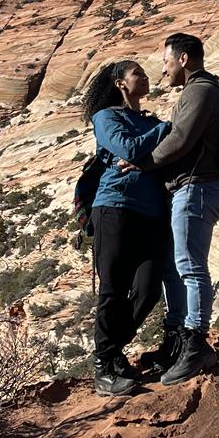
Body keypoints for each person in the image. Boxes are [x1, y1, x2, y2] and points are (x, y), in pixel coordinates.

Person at [129, 31, 219, 385]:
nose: (163, 69)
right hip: (193, 188)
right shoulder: (198, 90)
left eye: (166, 61)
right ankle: (178, 341)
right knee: (177, 267)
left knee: (190, 267)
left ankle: (196, 343)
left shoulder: (200, 91)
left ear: (183, 59)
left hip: (197, 188)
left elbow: (180, 139)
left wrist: (142, 162)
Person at [82, 59, 172, 397]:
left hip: (152, 213)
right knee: (113, 290)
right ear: (121, 83)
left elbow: (151, 152)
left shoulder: (148, 121)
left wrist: (152, 142)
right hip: (114, 207)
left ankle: (111, 352)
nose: (146, 76)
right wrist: (165, 131)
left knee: (148, 291)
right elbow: (128, 148)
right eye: (138, 74)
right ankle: (104, 367)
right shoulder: (106, 117)